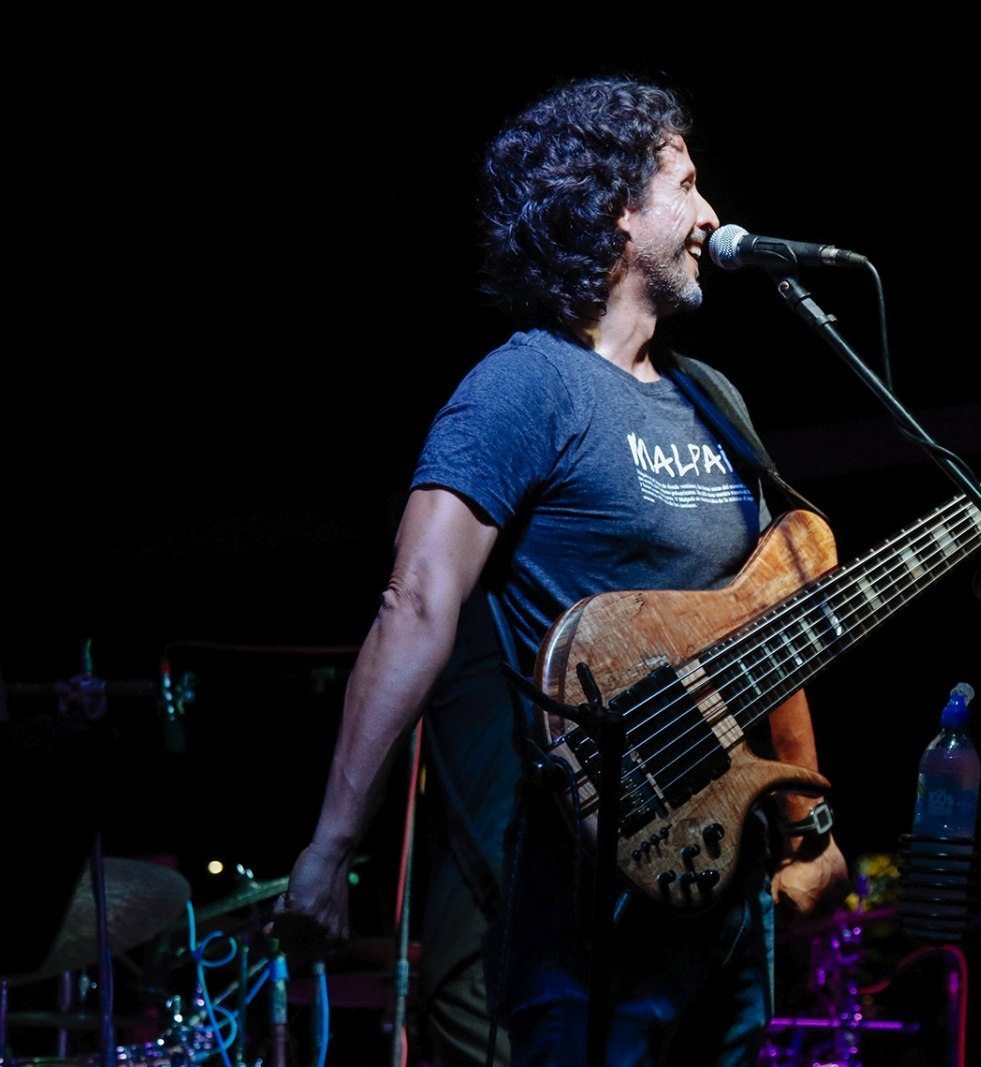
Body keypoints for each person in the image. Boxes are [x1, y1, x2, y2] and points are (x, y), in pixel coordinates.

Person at [269, 77, 847, 1067]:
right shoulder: (522, 385)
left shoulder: (715, 399)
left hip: (724, 902)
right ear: (618, 208)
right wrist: (330, 844)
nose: (712, 214)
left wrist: (806, 819)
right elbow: (415, 604)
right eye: (686, 185)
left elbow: (770, 621)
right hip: (586, 902)